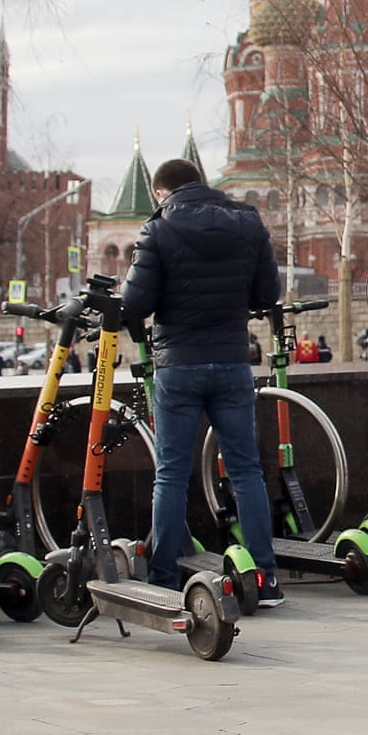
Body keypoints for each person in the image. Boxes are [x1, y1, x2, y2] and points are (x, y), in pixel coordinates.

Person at [121, 158, 284, 607]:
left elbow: (135, 301)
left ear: (161, 192)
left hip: (178, 364)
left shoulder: (158, 229)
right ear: (202, 183)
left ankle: (163, 578)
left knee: (171, 473)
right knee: (246, 470)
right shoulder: (247, 223)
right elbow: (268, 295)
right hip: (232, 360)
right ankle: (265, 579)